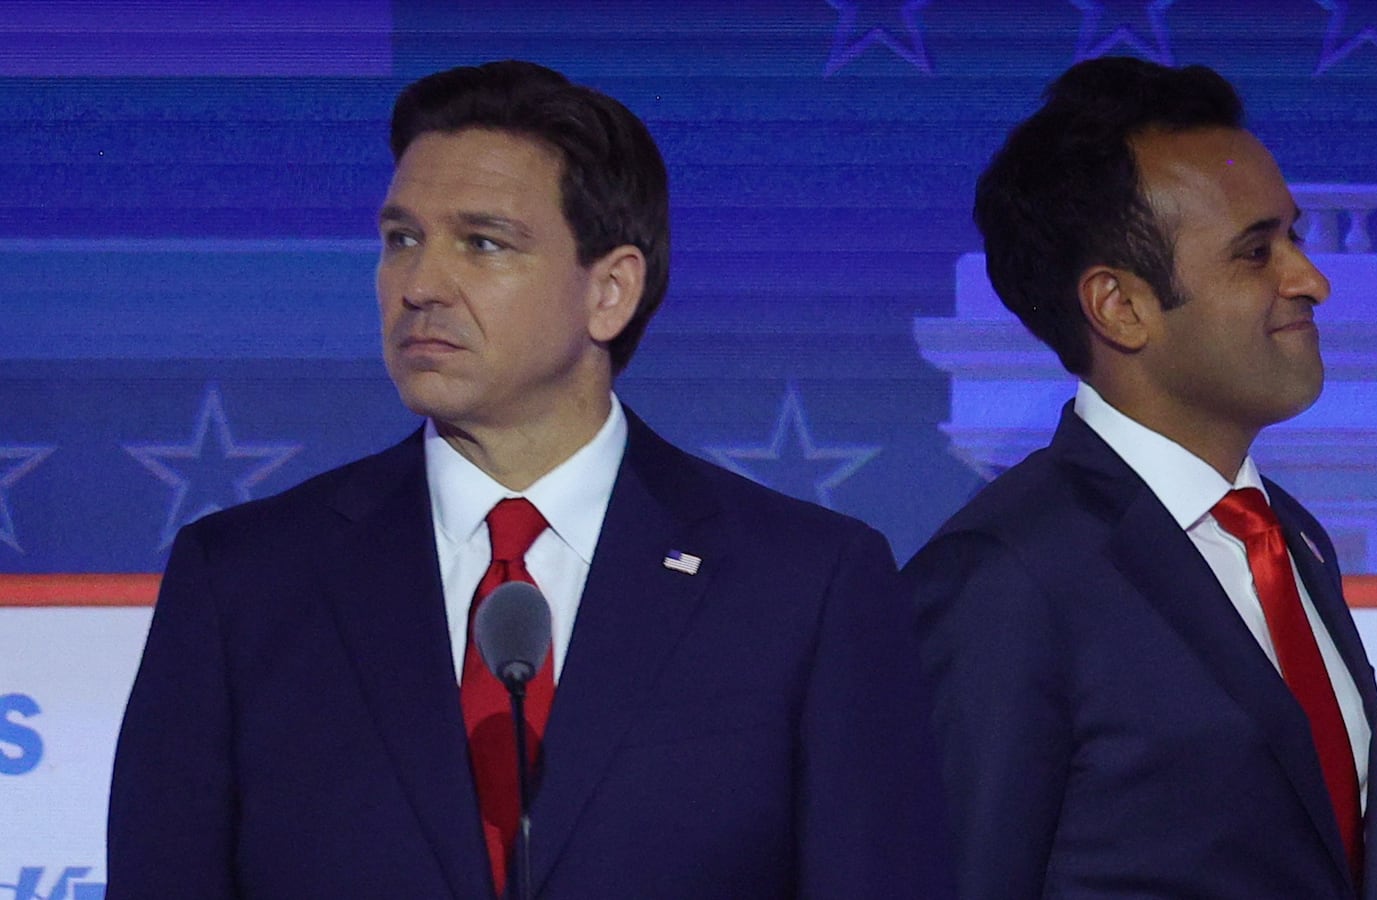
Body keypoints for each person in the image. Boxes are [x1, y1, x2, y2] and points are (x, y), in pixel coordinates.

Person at [109, 60, 951, 899]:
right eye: (402, 239)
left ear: (611, 292)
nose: (420, 286)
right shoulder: (245, 582)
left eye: (483, 243)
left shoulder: (804, 585)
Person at [903, 57, 1377, 899]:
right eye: (1254, 253)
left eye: (1296, 238)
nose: (1311, 280)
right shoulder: (1004, 577)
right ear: (1120, 307)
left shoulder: (1290, 538)